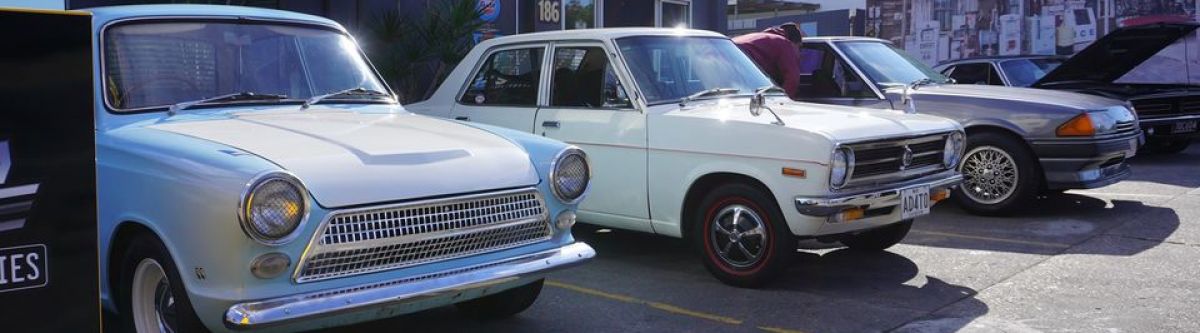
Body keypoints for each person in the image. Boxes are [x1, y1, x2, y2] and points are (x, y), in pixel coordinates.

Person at [733, 23, 805, 100]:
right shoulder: (784, 43)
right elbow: (792, 79)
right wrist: (781, 101)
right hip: (741, 63)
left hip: (727, 54)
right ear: (794, 43)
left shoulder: (761, 38)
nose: (799, 54)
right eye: (799, 48)